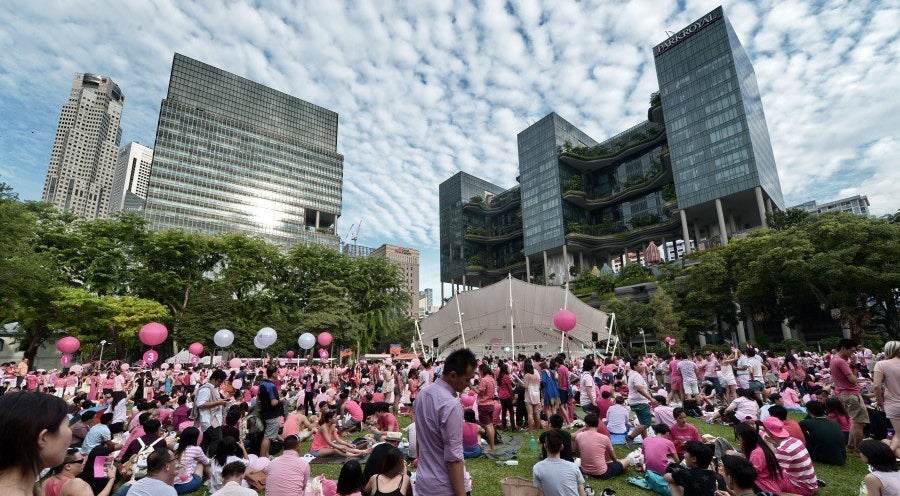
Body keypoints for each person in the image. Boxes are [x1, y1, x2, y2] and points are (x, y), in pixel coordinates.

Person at [412, 348, 477, 496]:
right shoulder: (451, 405)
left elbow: (419, 440)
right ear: (453, 375)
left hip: (424, 482)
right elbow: (454, 457)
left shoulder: (422, 394)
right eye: (467, 379)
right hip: (444, 487)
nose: (469, 384)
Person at [762, 417, 818, 495]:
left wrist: (765, 440)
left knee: (762, 479)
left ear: (768, 432)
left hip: (803, 488)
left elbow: (771, 472)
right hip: (811, 484)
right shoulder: (794, 440)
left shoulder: (784, 450)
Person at [830, 338, 869, 450]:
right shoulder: (841, 362)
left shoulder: (835, 359)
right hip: (851, 394)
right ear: (843, 348)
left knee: (854, 421)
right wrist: (854, 366)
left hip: (843, 393)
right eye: (851, 351)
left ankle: (851, 445)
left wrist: (851, 363)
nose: (852, 353)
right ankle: (859, 448)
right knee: (859, 423)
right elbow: (853, 379)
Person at [40, 447, 116, 496]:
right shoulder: (77, 484)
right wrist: (111, 479)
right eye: (81, 460)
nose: (84, 461)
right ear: (68, 466)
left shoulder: (45, 482)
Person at [573, 413, 628, 479]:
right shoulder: (604, 438)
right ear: (597, 424)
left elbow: (578, 454)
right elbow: (613, 458)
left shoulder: (579, 436)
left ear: (586, 424)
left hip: (584, 470)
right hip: (602, 473)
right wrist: (618, 463)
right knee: (627, 460)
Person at [732, 422, 782, 494]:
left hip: (765, 488)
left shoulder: (757, 453)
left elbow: (749, 475)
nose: (738, 440)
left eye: (738, 437)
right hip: (771, 485)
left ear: (741, 437)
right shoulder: (759, 446)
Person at [533, 430, 586, 496]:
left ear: (545, 446)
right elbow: (582, 493)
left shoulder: (537, 468)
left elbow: (539, 492)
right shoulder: (573, 467)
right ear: (562, 447)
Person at [799, 400, 846, 465]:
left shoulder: (805, 423)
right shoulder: (834, 423)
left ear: (808, 411)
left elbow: (800, 426)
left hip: (823, 458)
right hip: (842, 458)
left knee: (801, 431)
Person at [875, 341, 900, 458]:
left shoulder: (881, 364)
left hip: (893, 404)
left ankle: (884, 457)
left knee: (898, 435)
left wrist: (879, 401)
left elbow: (876, 386)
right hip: (893, 402)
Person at [626, 357, 657, 445]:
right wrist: (650, 398)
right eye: (640, 364)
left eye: (642, 364)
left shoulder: (632, 374)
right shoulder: (636, 375)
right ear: (634, 366)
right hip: (640, 402)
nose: (642, 366)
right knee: (647, 423)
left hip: (635, 401)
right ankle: (630, 437)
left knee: (642, 423)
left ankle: (646, 441)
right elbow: (639, 388)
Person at [197, 369, 228, 457]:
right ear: (214, 379)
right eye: (219, 381)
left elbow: (212, 400)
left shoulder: (213, 388)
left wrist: (220, 401)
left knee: (206, 440)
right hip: (209, 419)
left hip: (213, 418)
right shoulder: (206, 389)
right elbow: (201, 404)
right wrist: (218, 403)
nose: (220, 384)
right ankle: (211, 458)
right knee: (217, 439)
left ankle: (201, 459)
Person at [173, 427, 210, 494]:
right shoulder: (197, 449)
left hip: (173, 484)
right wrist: (213, 460)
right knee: (200, 462)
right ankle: (210, 478)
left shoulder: (178, 447)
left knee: (196, 460)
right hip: (188, 484)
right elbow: (206, 462)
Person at [258, 366, 284, 458]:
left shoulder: (263, 384)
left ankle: (266, 455)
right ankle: (262, 457)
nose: (278, 374)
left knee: (269, 436)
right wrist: (281, 400)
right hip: (272, 414)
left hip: (265, 412)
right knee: (268, 436)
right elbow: (273, 402)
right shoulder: (271, 386)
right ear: (273, 374)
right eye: (277, 372)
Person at [476, 363, 497, 451]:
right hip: (491, 404)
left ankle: (491, 446)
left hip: (484, 404)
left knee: (487, 426)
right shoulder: (492, 379)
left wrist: (472, 387)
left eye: (479, 371)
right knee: (490, 425)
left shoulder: (484, 380)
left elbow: (480, 393)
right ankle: (492, 445)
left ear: (482, 371)